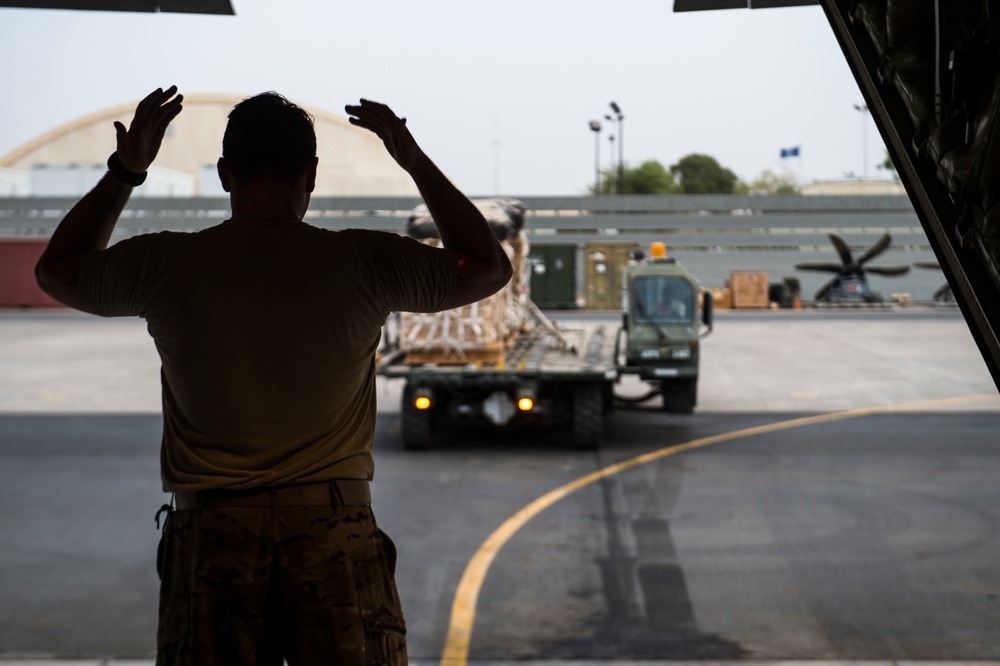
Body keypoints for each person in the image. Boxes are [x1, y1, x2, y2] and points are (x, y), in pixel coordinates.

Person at [35, 86, 512, 666]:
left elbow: (58, 272)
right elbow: (486, 267)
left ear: (224, 173)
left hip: (212, 536)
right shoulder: (364, 261)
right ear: (310, 175)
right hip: (334, 531)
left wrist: (125, 172)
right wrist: (412, 159)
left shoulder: (167, 263)